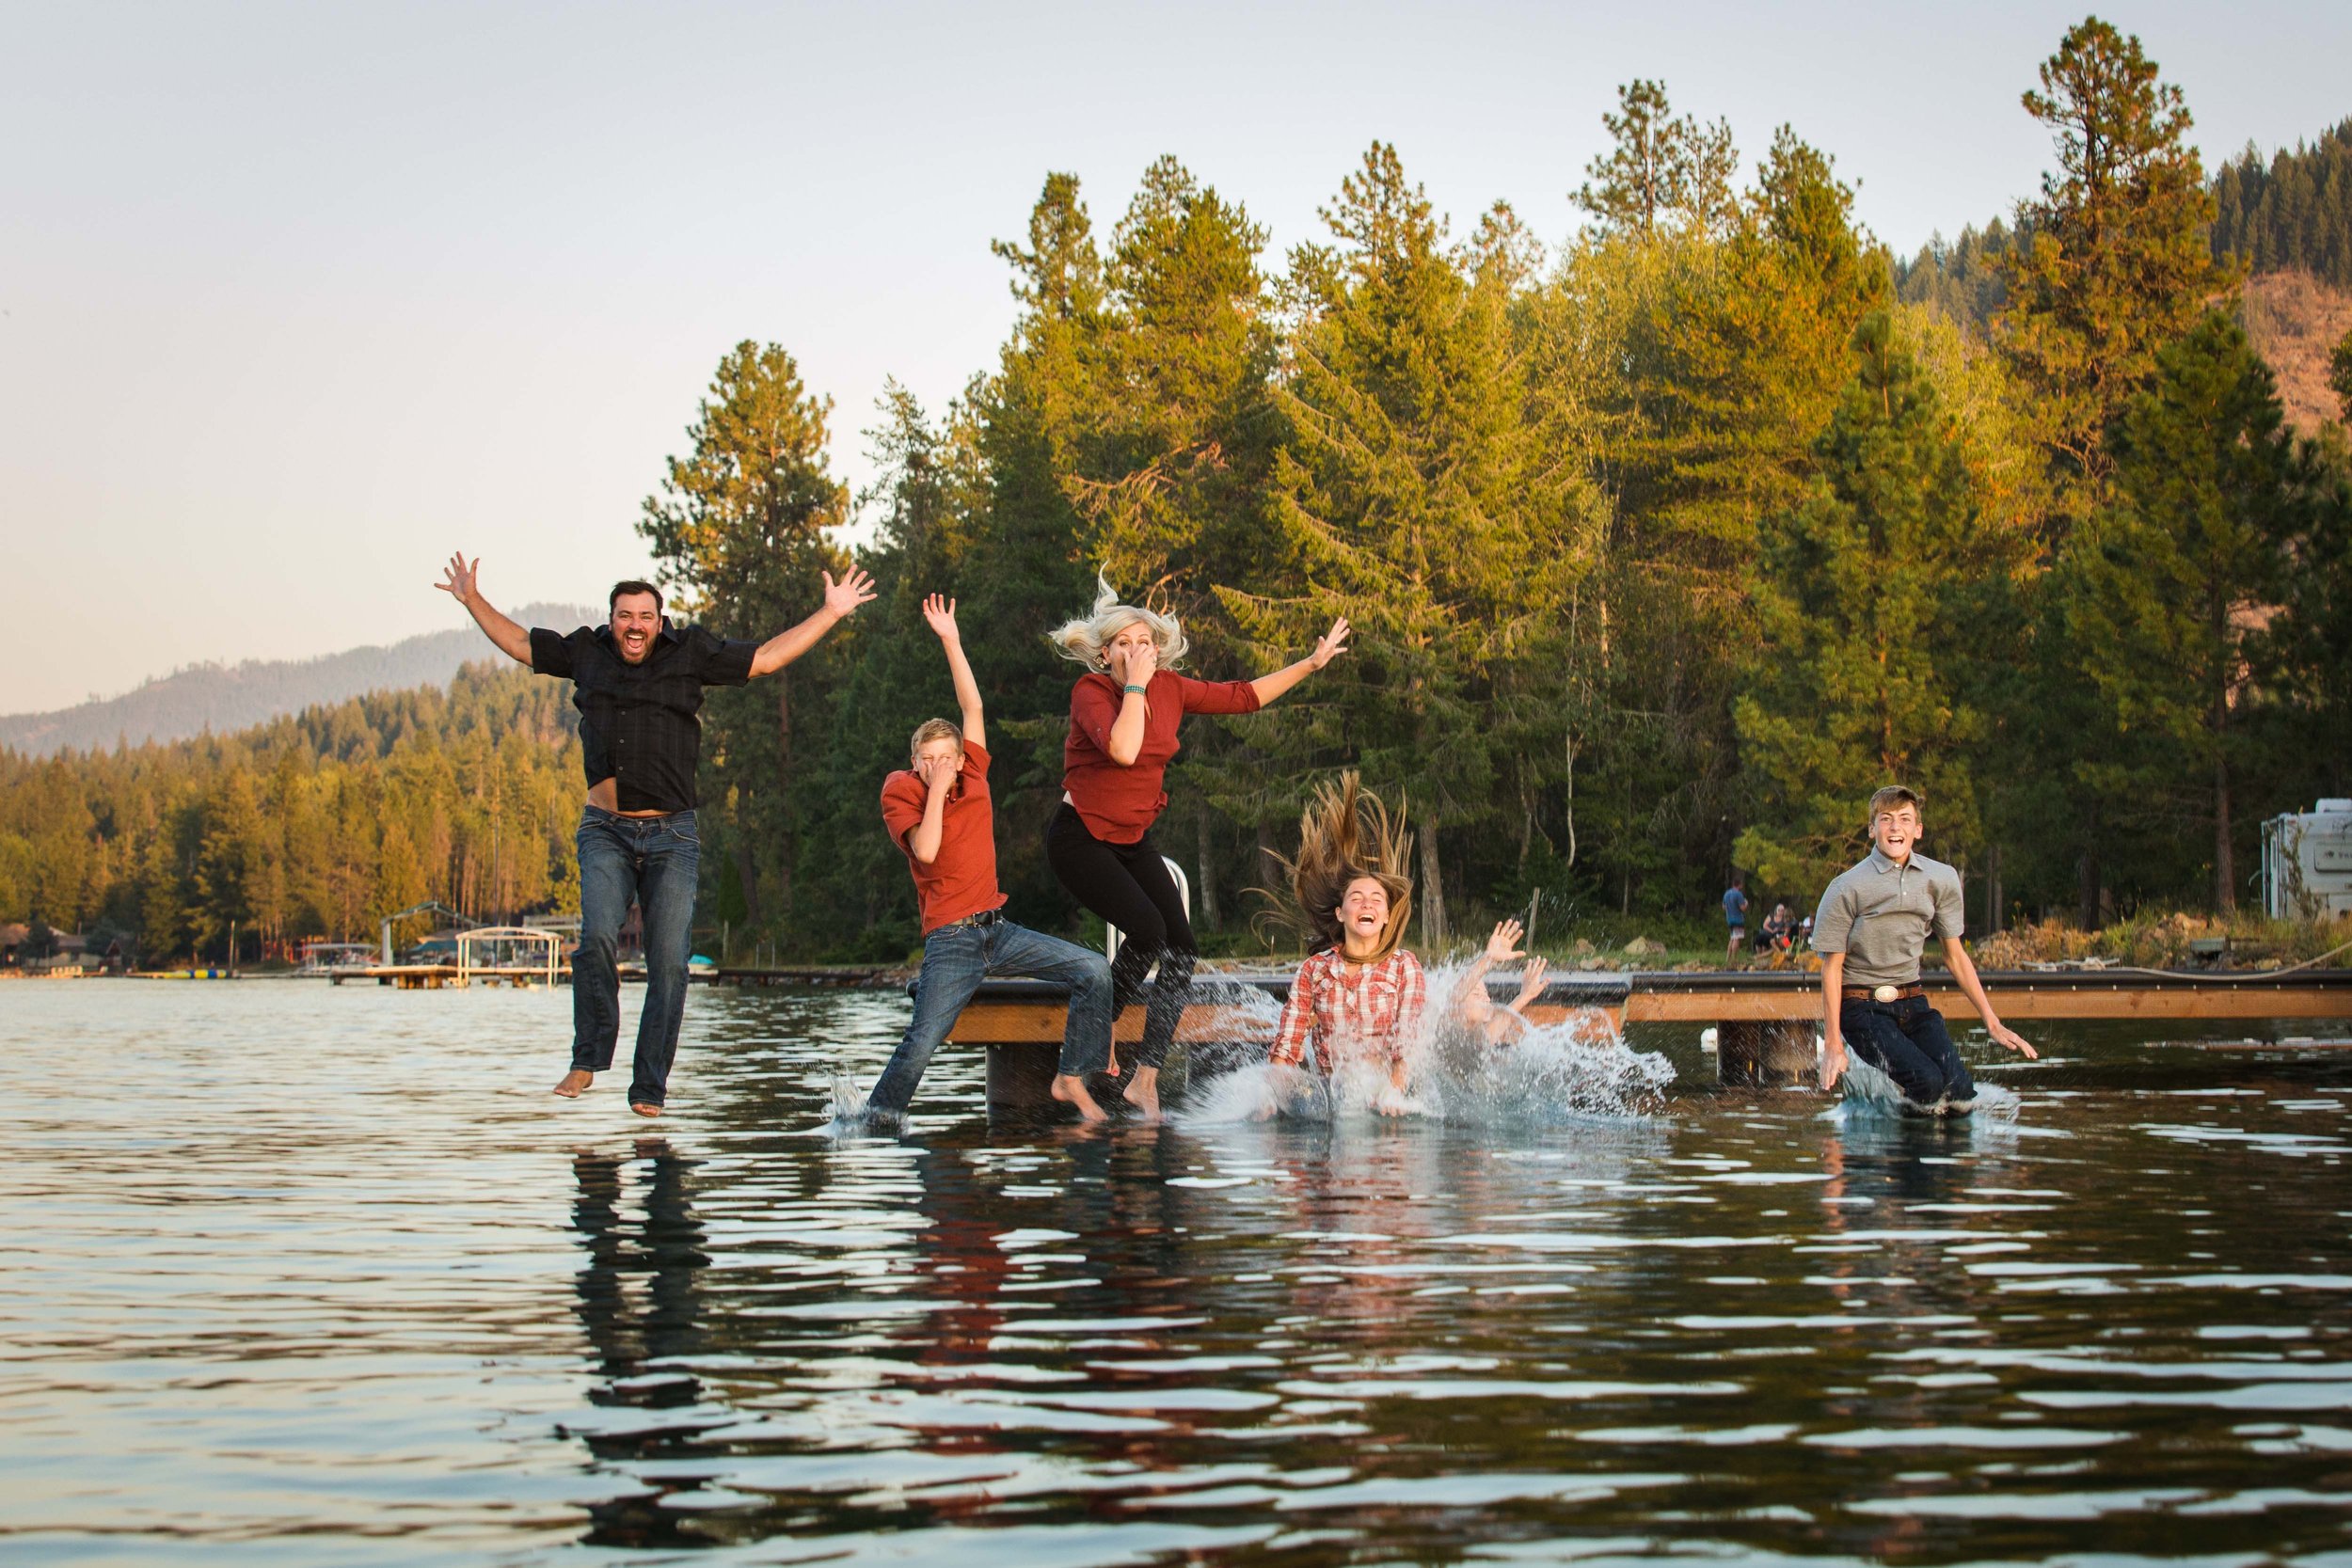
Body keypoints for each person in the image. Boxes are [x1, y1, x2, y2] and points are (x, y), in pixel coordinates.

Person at [437, 552, 875, 1117]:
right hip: (605, 832)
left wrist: (832, 613)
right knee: (595, 937)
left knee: (669, 963)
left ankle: (649, 1086)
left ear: (659, 620)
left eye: (645, 615)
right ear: (611, 619)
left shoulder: (689, 652)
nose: (635, 625)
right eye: (624, 616)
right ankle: (588, 1058)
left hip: (673, 836)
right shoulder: (586, 652)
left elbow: (765, 659)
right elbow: (522, 645)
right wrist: (472, 599)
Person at [1045, 578, 1349, 1119]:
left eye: (1145, 642)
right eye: (1123, 643)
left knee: (1181, 947)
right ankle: (1082, 1059)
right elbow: (1123, 748)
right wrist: (1135, 689)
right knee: (1147, 931)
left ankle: (1144, 1079)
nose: (1136, 651)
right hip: (1081, 837)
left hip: (1132, 839)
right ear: (1104, 653)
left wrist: (1311, 663)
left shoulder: (1170, 687)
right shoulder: (1091, 693)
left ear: (1157, 649)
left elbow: (1244, 696)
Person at [866, 595, 1117, 1124]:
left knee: (1093, 971)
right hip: (952, 940)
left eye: (946, 759)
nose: (938, 766)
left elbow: (973, 708)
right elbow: (927, 851)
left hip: (997, 930)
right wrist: (934, 790)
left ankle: (1070, 1077)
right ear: (914, 762)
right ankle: (877, 1120)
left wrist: (951, 640)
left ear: (961, 759)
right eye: (927, 760)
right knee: (921, 1042)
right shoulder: (901, 791)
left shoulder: (974, 772)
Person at [1262, 775, 1547, 1115]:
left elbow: (1408, 1035)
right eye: (1357, 898)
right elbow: (1289, 1039)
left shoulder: (1403, 966)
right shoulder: (1314, 970)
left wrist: (1394, 1091)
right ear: (1340, 913)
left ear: (1385, 917)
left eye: (1376, 900)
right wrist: (1273, 1096)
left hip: (1389, 1088)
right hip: (1334, 1096)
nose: (1367, 904)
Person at [1814, 784, 2037, 1113]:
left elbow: (1955, 955)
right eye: (1886, 819)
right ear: (1872, 828)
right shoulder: (1847, 887)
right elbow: (1832, 968)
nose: (1895, 827)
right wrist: (1833, 1042)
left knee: (1960, 1090)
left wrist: (1991, 1020)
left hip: (1913, 1003)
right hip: (1861, 1010)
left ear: (1917, 829)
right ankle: (1900, 1150)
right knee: (1927, 1082)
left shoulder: (1941, 878)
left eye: (1905, 819)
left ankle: (1946, 1159)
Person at [1723, 874, 1750, 961]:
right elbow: (1742, 908)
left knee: (1732, 938)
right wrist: (1746, 903)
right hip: (1737, 919)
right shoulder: (1738, 894)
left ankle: (1728, 959)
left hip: (1729, 919)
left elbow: (1723, 906)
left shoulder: (1727, 893)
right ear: (1739, 884)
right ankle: (1734, 959)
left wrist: (1730, 909)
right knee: (1737, 939)